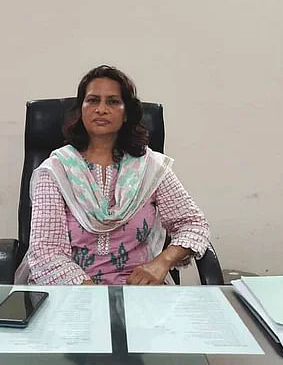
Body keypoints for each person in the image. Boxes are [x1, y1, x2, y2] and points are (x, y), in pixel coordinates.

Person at [22, 65, 210, 285]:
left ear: (126, 113)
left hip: (140, 290)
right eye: (92, 100)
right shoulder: (56, 170)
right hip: (72, 292)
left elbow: (193, 224)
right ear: (81, 109)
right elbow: (45, 252)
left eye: (112, 101)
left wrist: (161, 262)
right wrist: (95, 298)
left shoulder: (149, 168)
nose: (101, 109)